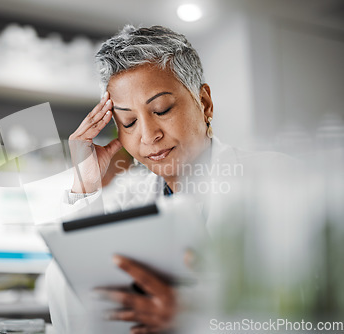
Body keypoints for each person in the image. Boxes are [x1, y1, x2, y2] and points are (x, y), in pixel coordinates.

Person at [46, 25, 288, 334]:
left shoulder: (277, 181)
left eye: (162, 109)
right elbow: (71, 291)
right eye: (129, 122)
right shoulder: (127, 195)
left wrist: (198, 321)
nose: (149, 135)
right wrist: (84, 184)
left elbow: (311, 314)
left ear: (205, 103)